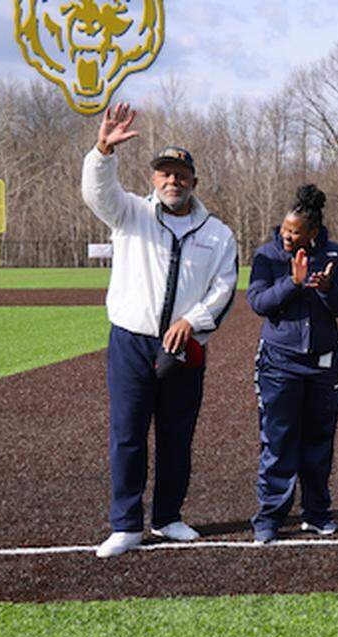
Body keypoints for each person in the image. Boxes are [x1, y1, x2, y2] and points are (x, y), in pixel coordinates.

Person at [81, 103, 238, 558]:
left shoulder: (217, 233)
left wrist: (193, 322)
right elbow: (98, 193)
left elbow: (225, 287)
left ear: (194, 180)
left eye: (180, 174)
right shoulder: (130, 214)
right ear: (153, 180)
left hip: (184, 346)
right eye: (164, 174)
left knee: (176, 435)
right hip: (131, 340)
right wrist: (102, 152)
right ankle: (126, 524)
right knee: (128, 433)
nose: (172, 181)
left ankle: (169, 516)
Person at [247, 185, 338, 544]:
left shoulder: (336, 255)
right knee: (277, 443)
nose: (288, 236)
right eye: (285, 229)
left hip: (324, 367)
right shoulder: (267, 256)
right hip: (279, 364)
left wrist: (326, 288)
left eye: (296, 231)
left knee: (318, 444)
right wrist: (292, 283)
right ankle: (270, 518)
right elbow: (259, 302)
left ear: (313, 232)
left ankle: (316, 513)